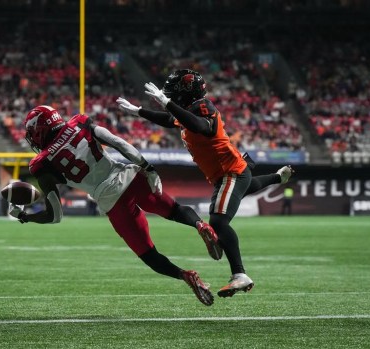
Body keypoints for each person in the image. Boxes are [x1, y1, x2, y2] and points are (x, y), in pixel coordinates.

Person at [8, 105, 220, 306]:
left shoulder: (41, 164)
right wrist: (147, 166)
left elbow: (55, 216)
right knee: (174, 210)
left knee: (149, 254)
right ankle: (201, 225)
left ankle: (186, 275)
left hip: (111, 201)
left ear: (40, 130)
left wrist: (26, 216)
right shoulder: (80, 123)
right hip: (130, 178)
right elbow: (119, 143)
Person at [116, 69, 294, 298]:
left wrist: (167, 102)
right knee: (245, 188)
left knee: (218, 221)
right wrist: (139, 111)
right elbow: (171, 120)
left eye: (172, 92)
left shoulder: (203, 106)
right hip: (228, 174)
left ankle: (239, 274)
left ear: (185, 92)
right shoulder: (186, 111)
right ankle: (278, 177)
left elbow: (202, 126)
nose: (168, 94)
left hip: (231, 172)